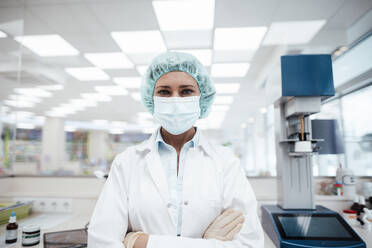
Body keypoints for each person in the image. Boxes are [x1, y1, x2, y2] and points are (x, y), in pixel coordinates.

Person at [88, 52, 264, 248]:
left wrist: (143, 243)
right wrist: (206, 244)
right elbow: (101, 242)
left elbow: (250, 244)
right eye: (164, 92)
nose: (175, 100)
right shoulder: (127, 162)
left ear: (201, 97)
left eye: (186, 91)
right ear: (151, 98)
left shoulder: (225, 162)